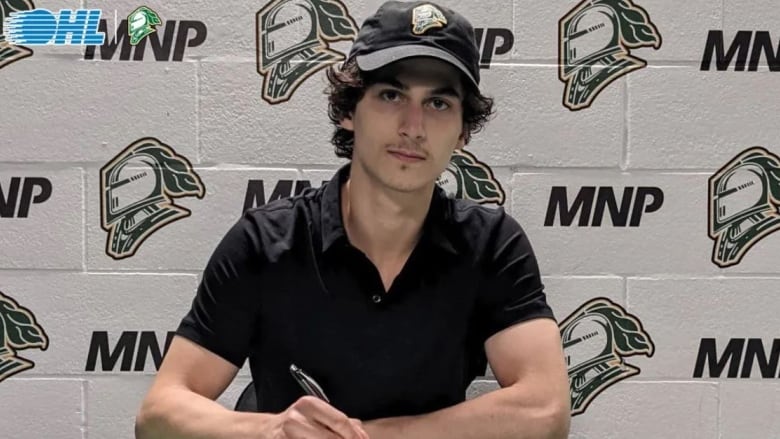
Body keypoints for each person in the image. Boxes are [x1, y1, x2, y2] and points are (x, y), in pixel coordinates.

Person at [134, 1, 571, 438]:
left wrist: (372, 436)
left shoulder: (492, 243)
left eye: (438, 103)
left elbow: (546, 410)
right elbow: (158, 414)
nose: (413, 126)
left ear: (461, 132)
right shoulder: (265, 242)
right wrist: (272, 432)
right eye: (391, 95)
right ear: (348, 111)